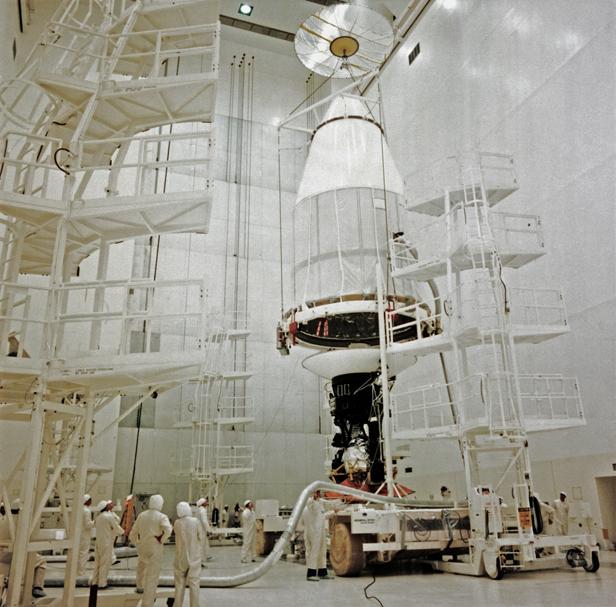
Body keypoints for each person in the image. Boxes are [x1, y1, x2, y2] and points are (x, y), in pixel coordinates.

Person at [129, 494, 172, 607]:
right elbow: (168, 529)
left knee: (141, 568)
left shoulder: (142, 515)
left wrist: (137, 543)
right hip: (155, 547)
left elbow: (132, 533)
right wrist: (162, 539)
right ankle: (147, 603)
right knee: (152, 576)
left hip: (142, 546)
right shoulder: (162, 516)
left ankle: (139, 587)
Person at [0, 500, 47, 598]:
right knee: (41, 561)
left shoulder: (4, 520)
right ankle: (37, 587)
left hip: (2, 555)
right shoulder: (21, 524)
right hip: (12, 556)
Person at [301, 490, 335, 581]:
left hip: (320, 532)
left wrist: (334, 511)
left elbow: (322, 516)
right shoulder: (310, 504)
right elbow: (311, 505)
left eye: (319, 492)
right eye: (317, 492)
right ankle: (311, 573)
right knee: (314, 552)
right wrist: (313, 497)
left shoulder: (319, 504)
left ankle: (322, 572)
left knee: (322, 551)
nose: (319, 494)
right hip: (313, 532)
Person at [173, 501, 202, 607]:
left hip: (180, 557)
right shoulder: (195, 521)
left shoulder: (176, 523)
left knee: (179, 584)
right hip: (194, 557)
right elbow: (201, 536)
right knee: (194, 584)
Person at [92, 500, 124, 589]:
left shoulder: (98, 517)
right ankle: (102, 584)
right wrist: (124, 532)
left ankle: (95, 582)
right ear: (106, 507)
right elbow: (116, 527)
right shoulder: (109, 516)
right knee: (104, 564)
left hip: (98, 543)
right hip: (106, 543)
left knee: (97, 563)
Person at [77, 494, 94, 576]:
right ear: (87, 501)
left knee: (79, 552)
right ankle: (81, 572)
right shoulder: (87, 511)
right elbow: (88, 524)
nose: (91, 501)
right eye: (90, 500)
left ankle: (77, 570)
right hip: (85, 534)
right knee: (84, 553)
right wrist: (94, 522)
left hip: (79, 533)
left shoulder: (80, 509)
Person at [196, 498, 212, 565]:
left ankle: (207, 556)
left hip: (200, 529)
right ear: (202, 503)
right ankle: (200, 560)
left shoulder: (199, 510)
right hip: (202, 530)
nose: (207, 502)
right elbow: (204, 521)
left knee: (205, 543)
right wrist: (209, 530)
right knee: (201, 545)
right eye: (206, 502)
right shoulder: (203, 511)